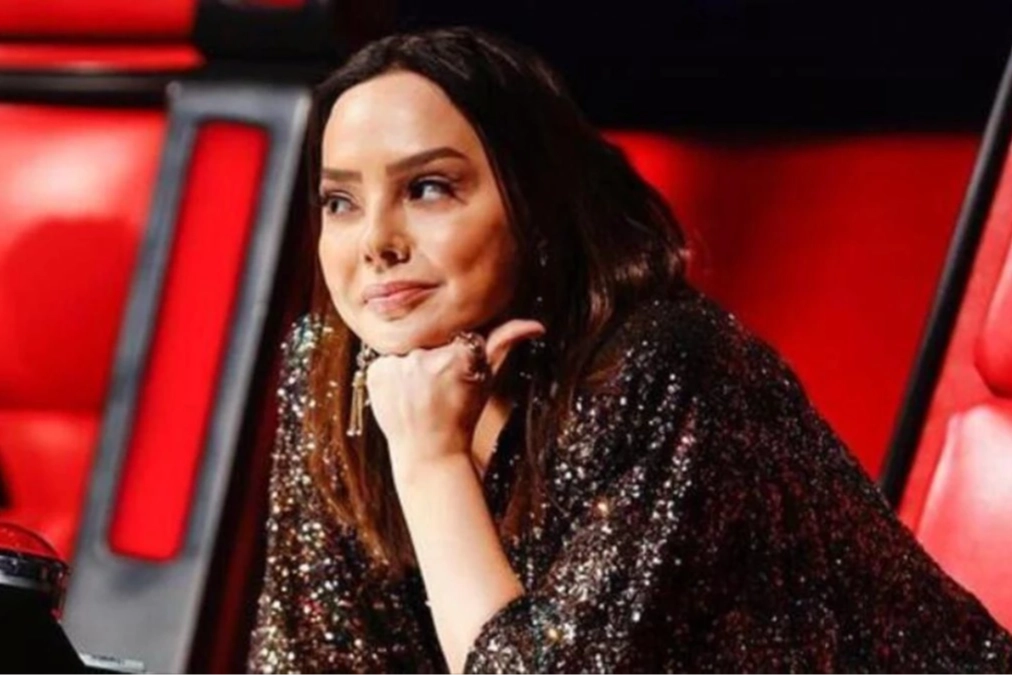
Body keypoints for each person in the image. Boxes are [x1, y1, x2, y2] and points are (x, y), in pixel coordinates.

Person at [247, 26, 1012, 674]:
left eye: (428, 188)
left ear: (536, 205)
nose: (375, 242)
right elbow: (316, 657)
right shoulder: (339, 368)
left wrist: (429, 460)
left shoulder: (665, 366)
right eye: (340, 201)